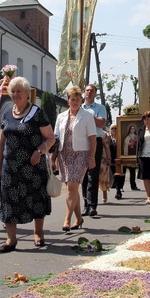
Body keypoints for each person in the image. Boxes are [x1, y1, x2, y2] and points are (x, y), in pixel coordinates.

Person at [0, 76, 56, 251]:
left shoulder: (37, 113)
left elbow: (51, 138)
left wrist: (39, 151)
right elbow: (1, 142)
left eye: (19, 91)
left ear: (27, 94)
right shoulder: (7, 114)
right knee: (9, 201)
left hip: (33, 167)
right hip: (11, 168)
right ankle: (11, 239)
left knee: (36, 199)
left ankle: (38, 233)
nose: (15, 94)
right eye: (12, 91)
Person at [54, 85, 96, 232]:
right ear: (68, 101)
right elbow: (55, 138)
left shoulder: (87, 116)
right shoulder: (61, 117)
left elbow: (92, 139)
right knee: (73, 187)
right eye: (73, 99)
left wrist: (91, 157)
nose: (76, 102)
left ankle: (67, 219)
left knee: (72, 186)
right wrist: (53, 158)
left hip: (81, 154)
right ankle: (79, 218)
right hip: (64, 155)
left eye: (78, 100)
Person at [81, 84, 107, 218]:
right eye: (87, 90)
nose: (89, 93)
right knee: (83, 174)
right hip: (81, 142)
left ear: (95, 94)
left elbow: (102, 123)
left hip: (95, 141)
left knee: (93, 173)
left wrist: (87, 116)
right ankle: (85, 204)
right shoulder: (80, 108)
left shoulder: (100, 108)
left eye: (92, 91)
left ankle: (92, 205)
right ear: (84, 93)